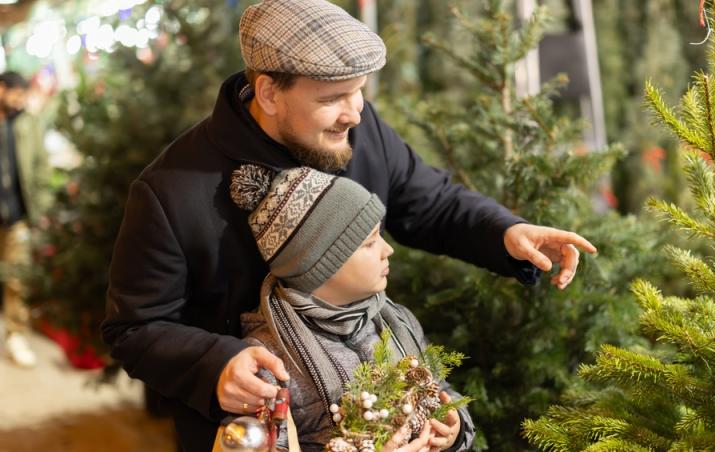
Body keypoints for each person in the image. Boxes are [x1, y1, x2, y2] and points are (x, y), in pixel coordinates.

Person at [101, 0, 596, 450]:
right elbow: (135, 327)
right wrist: (215, 366)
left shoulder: (359, 128)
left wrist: (505, 232)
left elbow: (431, 201)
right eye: (334, 97)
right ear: (269, 92)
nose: (355, 113)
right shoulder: (170, 192)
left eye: (360, 92)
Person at [231, 164, 473, 451]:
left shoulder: (398, 321)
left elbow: (441, 391)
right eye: (369, 243)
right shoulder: (270, 360)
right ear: (320, 265)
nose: (388, 249)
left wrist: (454, 431)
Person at [0, 71, 51, 368]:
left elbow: (41, 167)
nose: (19, 101)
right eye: (16, 94)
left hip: (17, 216)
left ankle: (15, 335)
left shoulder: (28, 124)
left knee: (17, 278)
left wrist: (40, 210)